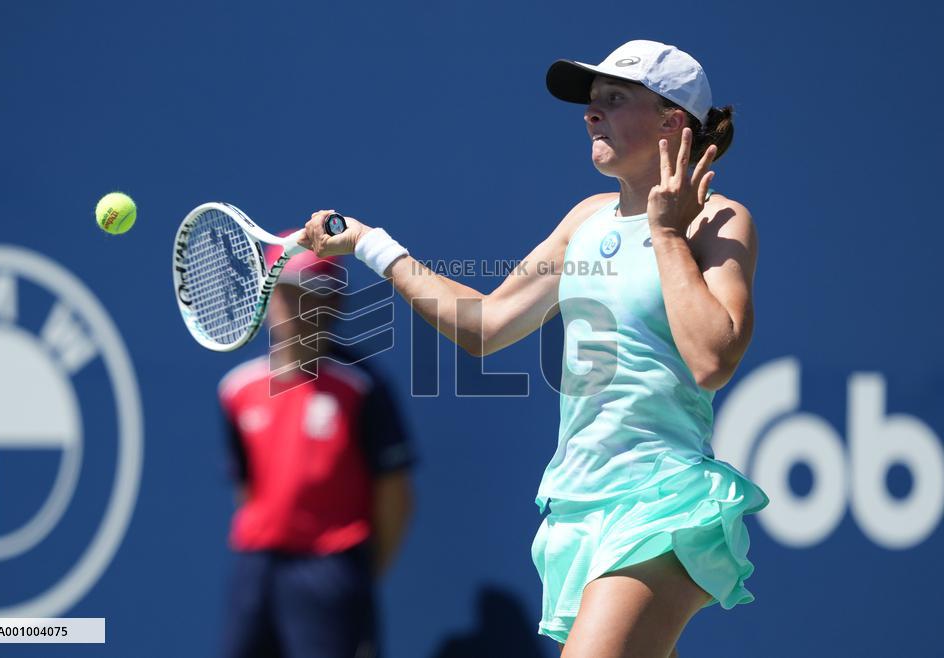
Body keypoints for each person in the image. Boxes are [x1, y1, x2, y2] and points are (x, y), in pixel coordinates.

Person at [297, 38, 770, 657]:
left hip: (661, 504)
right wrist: (371, 246)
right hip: (580, 501)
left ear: (671, 121)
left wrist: (665, 234)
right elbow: (486, 325)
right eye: (592, 101)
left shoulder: (719, 221)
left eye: (614, 98)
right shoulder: (586, 220)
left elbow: (713, 361)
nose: (590, 113)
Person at [217, 240, 417, 658]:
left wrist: (357, 574)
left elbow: (395, 498)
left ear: (336, 302)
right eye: (288, 291)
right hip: (258, 569)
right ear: (267, 297)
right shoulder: (237, 390)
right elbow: (246, 487)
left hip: (331, 570)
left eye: (313, 294)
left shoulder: (363, 387)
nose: (299, 306)